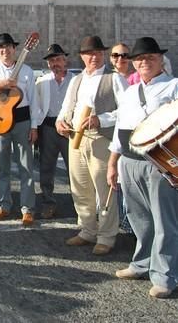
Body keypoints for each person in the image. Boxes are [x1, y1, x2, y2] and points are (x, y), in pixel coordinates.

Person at [107, 37, 178, 299]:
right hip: (128, 160)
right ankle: (141, 264)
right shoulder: (128, 91)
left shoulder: (174, 86)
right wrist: (113, 163)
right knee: (139, 218)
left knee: (164, 220)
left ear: (161, 60)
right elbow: (118, 129)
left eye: (150, 57)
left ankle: (166, 276)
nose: (144, 62)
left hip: (158, 161)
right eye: (139, 59)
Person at [56, 35, 127, 255]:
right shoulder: (76, 80)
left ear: (103, 54)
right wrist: (60, 121)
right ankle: (87, 229)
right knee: (80, 187)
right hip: (76, 138)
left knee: (104, 189)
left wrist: (101, 119)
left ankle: (106, 236)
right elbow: (67, 105)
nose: (93, 57)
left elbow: (126, 111)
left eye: (97, 53)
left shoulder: (114, 78)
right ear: (82, 56)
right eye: (89, 53)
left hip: (100, 138)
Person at [0, 33, 40, 226]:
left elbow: (34, 101)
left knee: (26, 166)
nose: (5, 50)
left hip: (21, 121)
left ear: (15, 49)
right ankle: (4, 205)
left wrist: (34, 126)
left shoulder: (27, 71)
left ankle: (27, 209)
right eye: (0, 48)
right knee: (2, 167)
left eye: (8, 46)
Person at [35, 44, 73, 219]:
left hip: (69, 129)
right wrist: (35, 127)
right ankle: (48, 202)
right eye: (51, 61)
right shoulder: (42, 81)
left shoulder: (75, 80)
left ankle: (80, 204)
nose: (55, 63)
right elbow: (36, 106)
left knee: (74, 168)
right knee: (46, 167)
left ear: (65, 61)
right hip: (48, 128)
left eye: (58, 59)